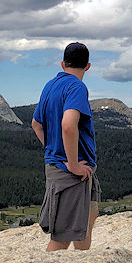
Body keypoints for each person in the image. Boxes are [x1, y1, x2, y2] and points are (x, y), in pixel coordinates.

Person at [32, 42, 99, 251]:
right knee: (62, 235)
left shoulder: (50, 85)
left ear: (63, 63)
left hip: (68, 168)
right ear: (88, 66)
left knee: (89, 215)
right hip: (71, 172)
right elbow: (69, 126)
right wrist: (71, 163)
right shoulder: (77, 87)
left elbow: (36, 124)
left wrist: (54, 150)